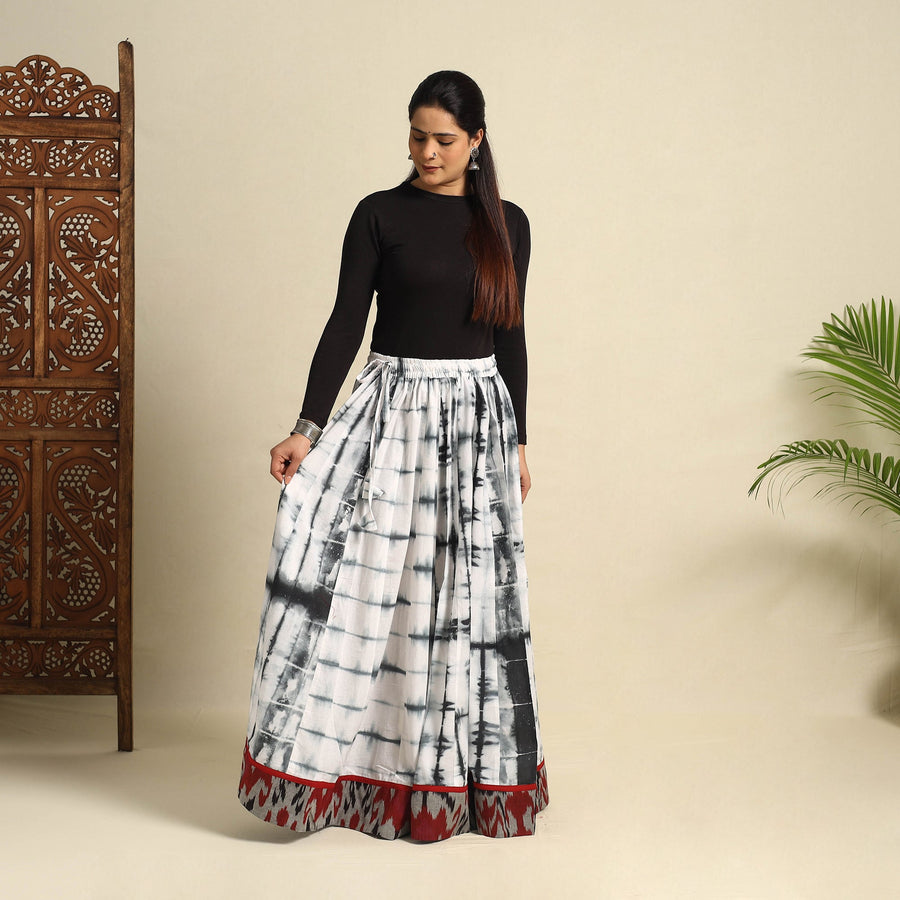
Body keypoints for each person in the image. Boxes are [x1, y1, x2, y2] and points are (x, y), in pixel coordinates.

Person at [238, 71, 547, 841]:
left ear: (477, 141)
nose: (428, 152)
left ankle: (447, 782)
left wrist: (518, 441)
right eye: (417, 136)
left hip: (475, 419)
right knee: (372, 582)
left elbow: (511, 335)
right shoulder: (379, 214)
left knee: (460, 597)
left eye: (444, 139)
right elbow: (346, 320)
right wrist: (306, 427)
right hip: (392, 410)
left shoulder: (508, 223)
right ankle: (346, 769)